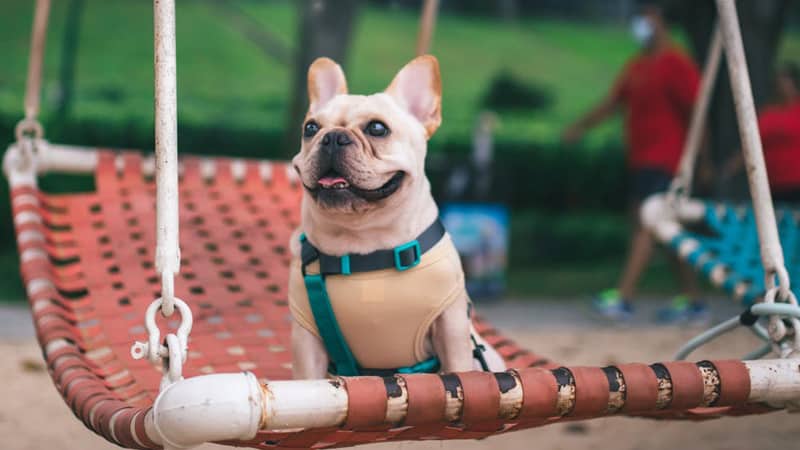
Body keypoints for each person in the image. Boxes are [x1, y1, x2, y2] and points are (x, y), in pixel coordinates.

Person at [562, 4, 705, 323]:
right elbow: (612, 103)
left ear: (661, 22)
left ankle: (623, 298)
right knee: (665, 232)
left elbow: (698, 114)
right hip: (641, 159)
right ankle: (694, 300)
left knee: (646, 224)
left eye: (647, 17)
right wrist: (580, 126)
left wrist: (700, 160)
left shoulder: (677, 64)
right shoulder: (638, 65)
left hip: (668, 160)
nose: (640, 24)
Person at [723, 63, 800, 202]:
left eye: (784, 83)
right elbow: (750, 144)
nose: (780, 87)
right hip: (773, 185)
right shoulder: (768, 114)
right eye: (778, 83)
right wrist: (730, 169)